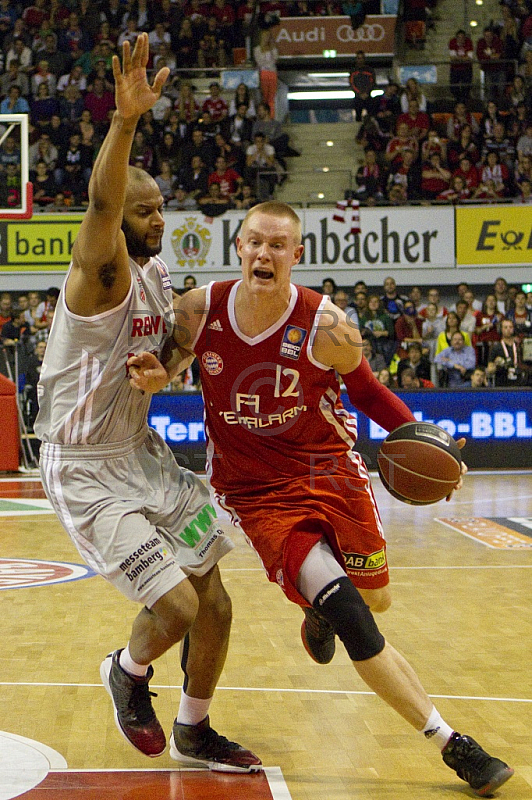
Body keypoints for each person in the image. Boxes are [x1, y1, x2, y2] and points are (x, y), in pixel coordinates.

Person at [129, 200, 514, 798]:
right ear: (238, 247)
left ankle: (318, 607)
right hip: (255, 492)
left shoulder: (328, 325)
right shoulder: (198, 310)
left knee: (376, 600)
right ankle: (452, 743)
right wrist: (156, 376)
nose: (264, 254)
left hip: (329, 471)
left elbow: (367, 390)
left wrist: (429, 444)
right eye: (255, 242)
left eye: (278, 246)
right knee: (356, 620)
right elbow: (169, 366)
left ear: (297, 255)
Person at [33, 33, 261, 774]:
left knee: (218, 604)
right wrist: (125, 121)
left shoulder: (161, 274)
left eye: (162, 208)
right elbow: (103, 198)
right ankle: (126, 672)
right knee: (179, 610)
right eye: (145, 209)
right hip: (87, 467)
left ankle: (194, 728)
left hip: (144, 457)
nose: (157, 219)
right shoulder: (101, 272)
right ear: (119, 217)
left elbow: (172, 351)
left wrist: (169, 367)